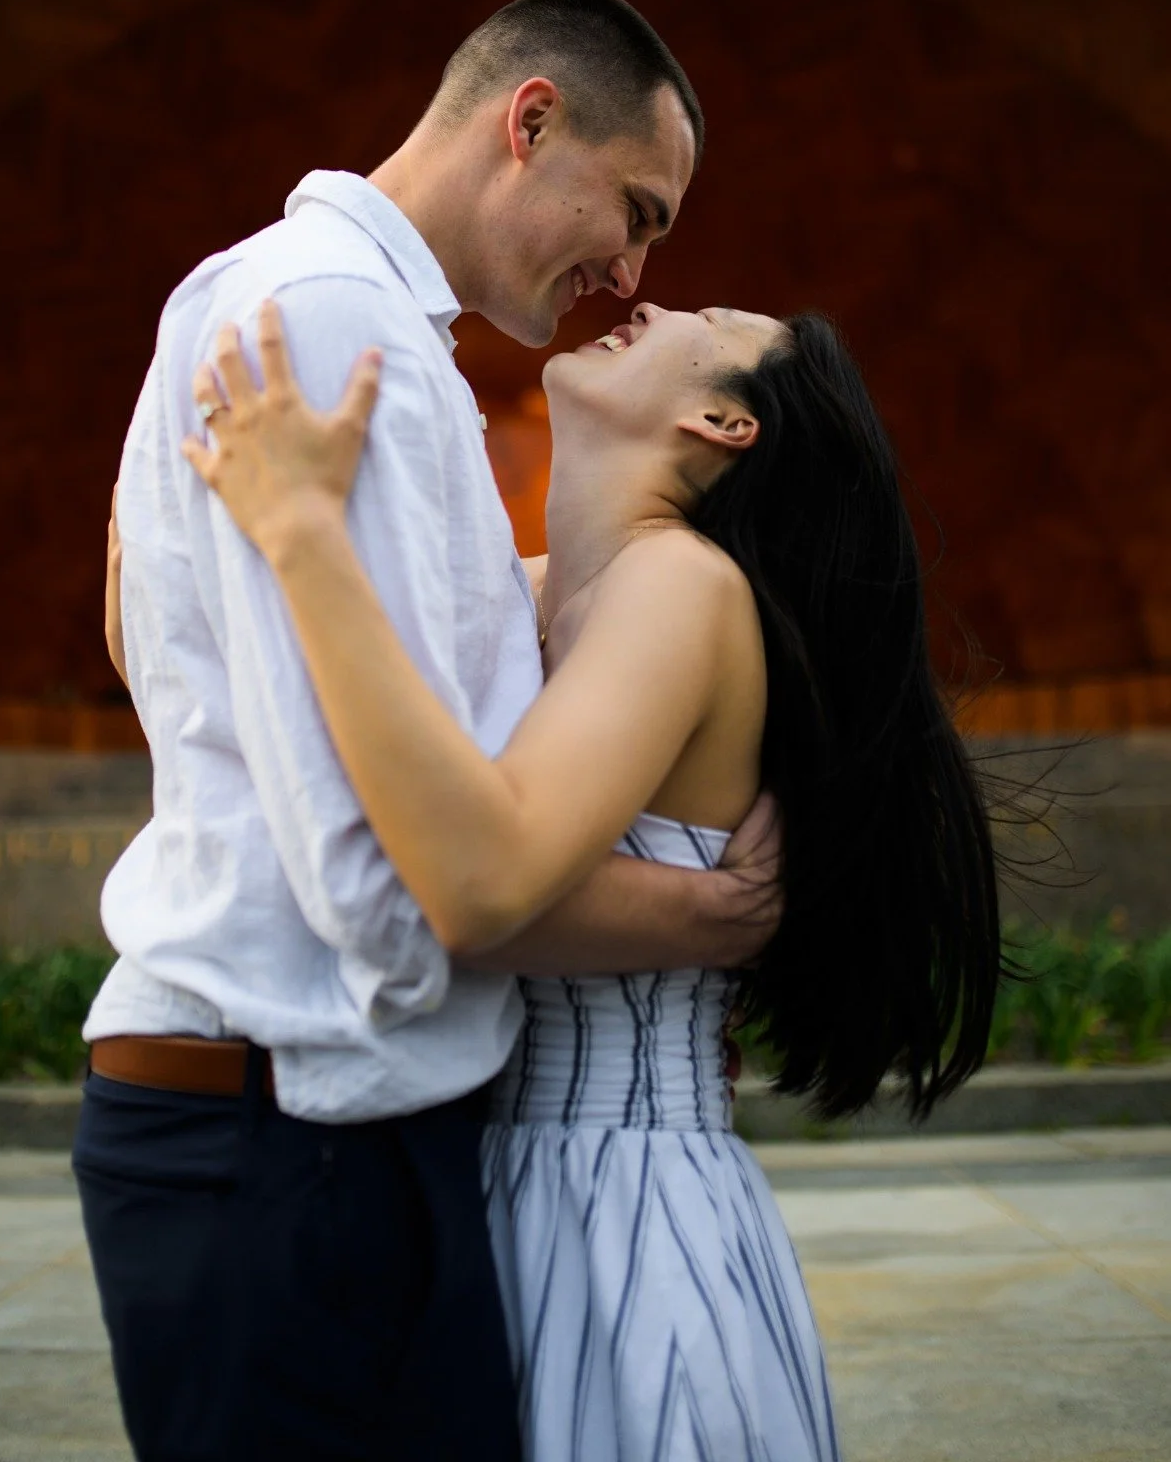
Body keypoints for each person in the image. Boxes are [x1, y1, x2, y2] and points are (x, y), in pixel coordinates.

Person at [75, 0, 785, 1462]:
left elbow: (198, 679)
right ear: (530, 120)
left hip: (311, 1127)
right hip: (294, 1134)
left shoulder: (343, 319)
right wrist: (693, 912)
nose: (634, 272)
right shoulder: (339, 327)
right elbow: (396, 884)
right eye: (637, 210)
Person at [178, 294, 1002, 1462]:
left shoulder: (681, 584)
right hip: (487, 1179)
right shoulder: (521, 589)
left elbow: (459, 875)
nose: (650, 297)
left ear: (725, 420)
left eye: (707, 316)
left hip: (623, 1200)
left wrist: (304, 531)